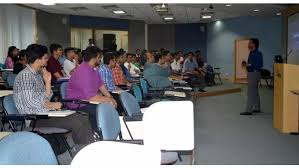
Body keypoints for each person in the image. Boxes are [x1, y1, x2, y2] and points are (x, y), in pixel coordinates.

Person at [241, 38, 263, 115]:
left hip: (254, 74)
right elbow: (250, 64)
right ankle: (257, 108)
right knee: (255, 91)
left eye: (250, 43)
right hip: (251, 73)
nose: (248, 44)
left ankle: (248, 110)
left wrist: (249, 65)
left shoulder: (258, 54)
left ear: (254, 44)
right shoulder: (251, 53)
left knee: (250, 92)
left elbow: (259, 65)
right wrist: (247, 65)